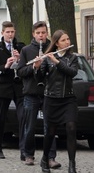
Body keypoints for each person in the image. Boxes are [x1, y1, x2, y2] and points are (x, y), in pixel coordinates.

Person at [17, 21, 61, 168]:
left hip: (49, 93)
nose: (41, 36)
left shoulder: (52, 49)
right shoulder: (26, 50)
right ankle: (29, 155)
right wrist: (34, 67)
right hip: (31, 93)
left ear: (47, 33)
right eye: (38, 33)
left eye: (43, 32)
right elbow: (20, 72)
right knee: (29, 127)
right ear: (33, 34)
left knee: (50, 127)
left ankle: (50, 157)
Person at [34, 30, 78, 173]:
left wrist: (57, 62)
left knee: (71, 128)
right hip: (51, 99)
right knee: (50, 132)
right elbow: (40, 79)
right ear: (57, 43)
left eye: (68, 39)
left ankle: (72, 164)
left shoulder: (73, 58)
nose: (67, 42)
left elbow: (72, 72)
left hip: (68, 99)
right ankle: (45, 158)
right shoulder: (48, 58)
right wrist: (37, 66)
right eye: (64, 40)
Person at [0, 21, 25, 159]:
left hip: (18, 86)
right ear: (2, 33)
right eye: (7, 32)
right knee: (0, 118)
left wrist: (19, 58)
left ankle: (24, 150)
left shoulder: (21, 47)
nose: (10, 34)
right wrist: (6, 65)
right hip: (3, 86)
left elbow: (26, 65)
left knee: (23, 118)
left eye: (12, 32)